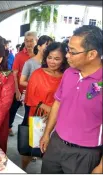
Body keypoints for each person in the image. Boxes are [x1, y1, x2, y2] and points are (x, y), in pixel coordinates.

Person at [40, 25, 102, 173]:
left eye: (72, 52)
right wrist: (47, 133)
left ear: (92, 54)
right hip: (56, 143)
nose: (67, 56)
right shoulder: (69, 73)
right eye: (68, 50)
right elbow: (58, 102)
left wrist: (101, 167)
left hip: (84, 154)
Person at [21, 42, 69, 169]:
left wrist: (55, 112)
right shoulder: (38, 73)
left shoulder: (67, 76)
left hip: (58, 119)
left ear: (64, 59)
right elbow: (30, 96)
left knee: (50, 151)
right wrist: (46, 108)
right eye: (50, 57)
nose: (52, 61)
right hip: (38, 116)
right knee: (31, 147)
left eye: (57, 58)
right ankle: (23, 169)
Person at [9, 31, 37, 136]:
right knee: (12, 110)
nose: (29, 43)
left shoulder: (39, 56)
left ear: (36, 41)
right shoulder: (19, 56)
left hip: (33, 91)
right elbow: (14, 74)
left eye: (31, 41)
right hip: (20, 89)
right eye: (26, 41)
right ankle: (9, 127)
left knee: (28, 113)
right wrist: (16, 91)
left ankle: (25, 133)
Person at [19, 35, 53, 124]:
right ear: (39, 47)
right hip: (32, 98)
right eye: (47, 45)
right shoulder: (30, 63)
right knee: (29, 121)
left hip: (46, 99)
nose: (50, 49)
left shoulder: (50, 63)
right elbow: (22, 81)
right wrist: (36, 87)